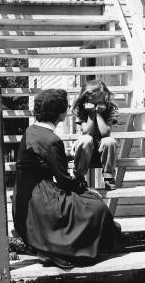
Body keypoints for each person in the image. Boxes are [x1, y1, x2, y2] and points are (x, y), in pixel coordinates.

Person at [12, 89, 120, 269]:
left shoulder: (31, 131)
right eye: (65, 106)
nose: (68, 109)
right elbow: (62, 180)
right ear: (59, 113)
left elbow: (44, 159)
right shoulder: (52, 139)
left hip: (24, 195)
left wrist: (66, 156)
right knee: (96, 206)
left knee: (88, 201)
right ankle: (85, 245)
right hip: (42, 199)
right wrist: (82, 186)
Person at [72, 80, 119, 190]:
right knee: (86, 139)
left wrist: (98, 114)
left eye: (99, 103)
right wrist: (91, 114)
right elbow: (87, 132)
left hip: (103, 152)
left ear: (105, 97)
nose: (96, 106)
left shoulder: (110, 108)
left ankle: (109, 177)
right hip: (85, 151)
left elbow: (105, 133)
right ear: (86, 100)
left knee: (110, 141)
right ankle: (79, 177)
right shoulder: (81, 109)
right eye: (93, 104)